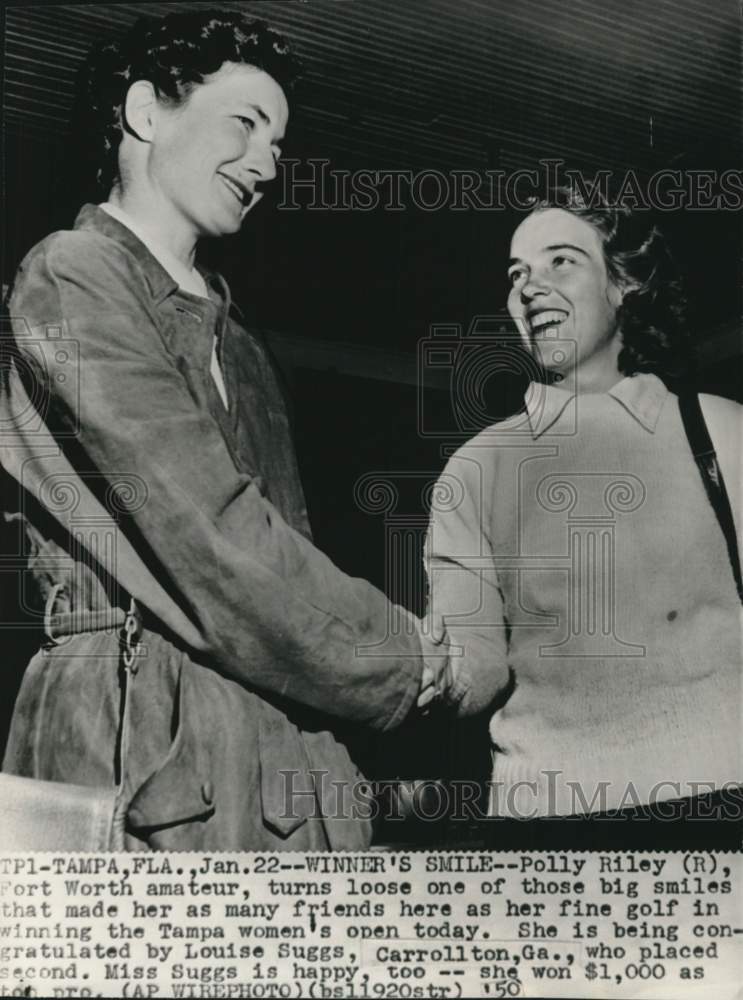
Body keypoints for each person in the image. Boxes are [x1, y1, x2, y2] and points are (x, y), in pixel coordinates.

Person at [0, 9, 446, 851]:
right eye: (244, 124)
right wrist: (402, 655)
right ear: (144, 112)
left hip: (272, 749)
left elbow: (276, 559)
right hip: (134, 740)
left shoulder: (239, 341)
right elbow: (207, 532)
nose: (266, 165)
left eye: (277, 144)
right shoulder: (72, 273)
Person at [426, 187, 742, 849]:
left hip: (718, 806)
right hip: (543, 825)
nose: (529, 288)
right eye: (516, 274)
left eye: (559, 262)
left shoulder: (717, 432)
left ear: (623, 283)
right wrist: (411, 658)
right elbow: (472, 670)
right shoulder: (474, 469)